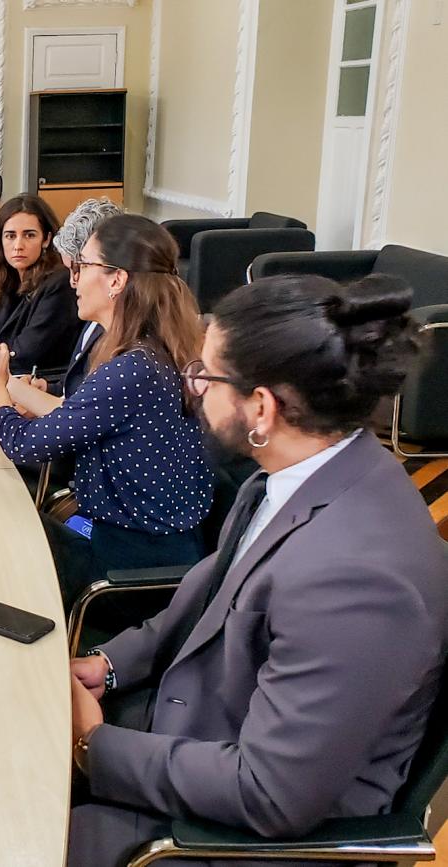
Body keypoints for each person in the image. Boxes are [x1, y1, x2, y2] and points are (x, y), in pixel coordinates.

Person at [67, 274, 448, 866]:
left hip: (229, 841)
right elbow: (216, 593)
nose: (193, 388)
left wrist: (94, 746)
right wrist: (109, 665)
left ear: (262, 406)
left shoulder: (359, 580)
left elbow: (269, 793)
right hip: (189, 733)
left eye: (206, 375)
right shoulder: (304, 473)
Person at [0, 214, 212, 606]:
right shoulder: (149, 351)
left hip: (128, 568)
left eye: (83, 266)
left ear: (116, 280)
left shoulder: (133, 368)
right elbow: (79, 414)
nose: (75, 279)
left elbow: (23, 445)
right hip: (138, 541)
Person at [0, 194, 78, 376]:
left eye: (29, 235)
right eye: (10, 236)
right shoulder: (11, 278)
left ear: (46, 239)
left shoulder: (59, 284)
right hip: (1, 378)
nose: (18, 245)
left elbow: (24, 355)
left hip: (32, 384)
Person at [50, 198, 122, 398]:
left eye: (79, 268)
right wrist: (46, 390)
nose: (73, 282)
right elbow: (74, 388)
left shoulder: (130, 341)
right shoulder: (95, 315)